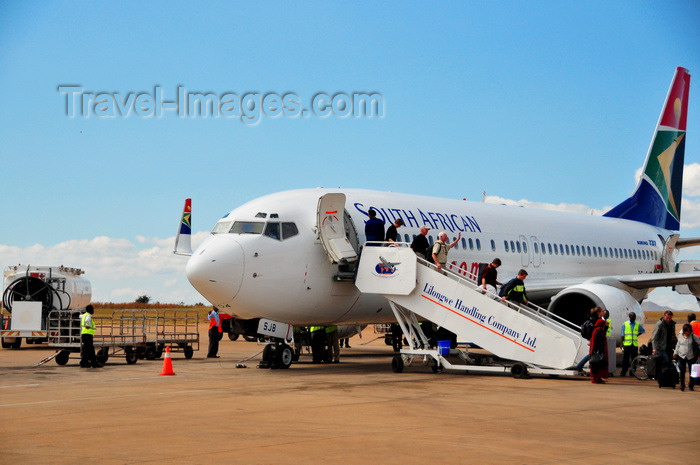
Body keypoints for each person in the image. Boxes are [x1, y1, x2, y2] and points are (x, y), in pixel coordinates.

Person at [575, 307, 605, 372]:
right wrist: (589, 339)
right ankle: (580, 366)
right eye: (602, 311)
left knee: (592, 354)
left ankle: (582, 366)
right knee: (593, 354)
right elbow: (594, 331)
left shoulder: (593, 319)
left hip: (592, 339)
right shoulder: (597, 320)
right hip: (594, 340)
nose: (604, 312)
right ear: (598, 312)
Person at [673, 323, 700, 391]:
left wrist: (697, 352)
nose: (688, 332)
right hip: (681, 356)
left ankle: (691, 385)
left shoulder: (694, 337)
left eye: (689, 330)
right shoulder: (680, 336)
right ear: (684, 331)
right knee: (682, 371)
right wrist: (675, 352)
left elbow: (699, 344)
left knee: (692, 372)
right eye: (686, 331)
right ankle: (682, 385)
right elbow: (678, 345)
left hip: (691, 356)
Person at [619, 311, 645, 377]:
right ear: (629, 317)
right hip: (627, 344)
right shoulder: (624, 324)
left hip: (634, 345)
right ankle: (623, 372)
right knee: (625, 359)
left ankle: (632, 371)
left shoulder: (637, 324)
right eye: (632, 316)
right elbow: (622, 335)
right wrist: (621, 343)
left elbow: (643, 331)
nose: (633, 318)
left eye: (634, 316)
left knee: (634, 359)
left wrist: (636, 335)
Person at [589, 318, 609, 384]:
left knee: (595, 366)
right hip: (598, 350)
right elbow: (600, 341)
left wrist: (606, 327)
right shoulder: (599, 330)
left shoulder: (595, 330)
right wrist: (602, 349)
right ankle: (597, 379)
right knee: (599, 365)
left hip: (594, 350)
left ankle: (596, 378)